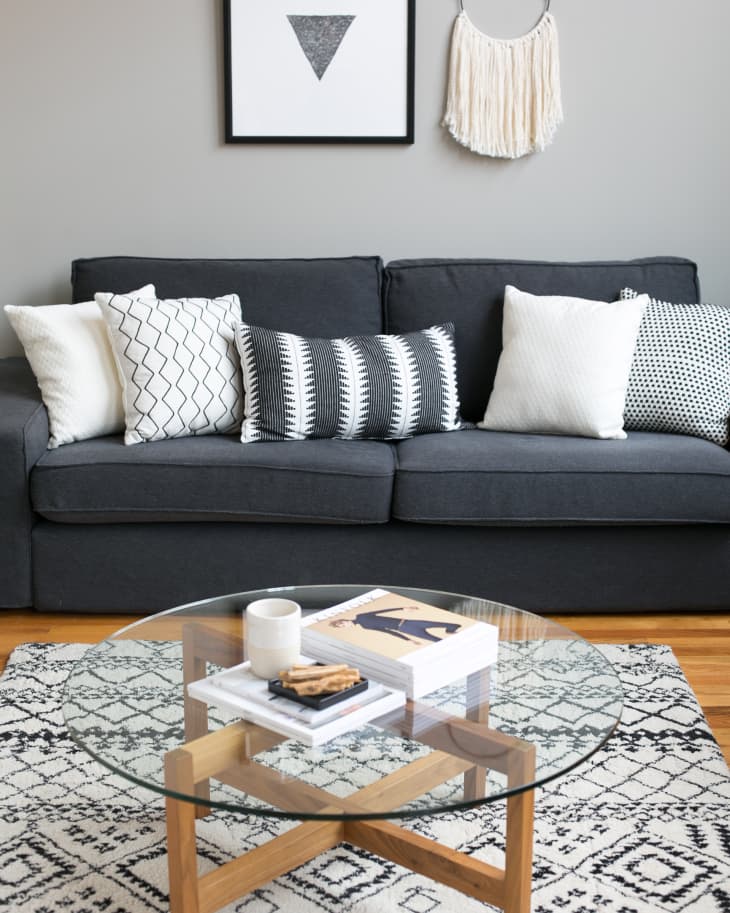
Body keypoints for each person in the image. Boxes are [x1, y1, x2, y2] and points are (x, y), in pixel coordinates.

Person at [329, 605, 462, 645]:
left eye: (342, 623)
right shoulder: (365, 626)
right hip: (404, 628)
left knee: (439, 624)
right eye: (342, 627)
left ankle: (450, 630)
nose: (344, 625)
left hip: (407, 622)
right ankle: (454, 645)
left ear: (344, 620)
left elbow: (380, 610)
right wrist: (409, 639)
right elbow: (387, 631)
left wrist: (402, 608)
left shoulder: (361, 616)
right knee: (435, 640)